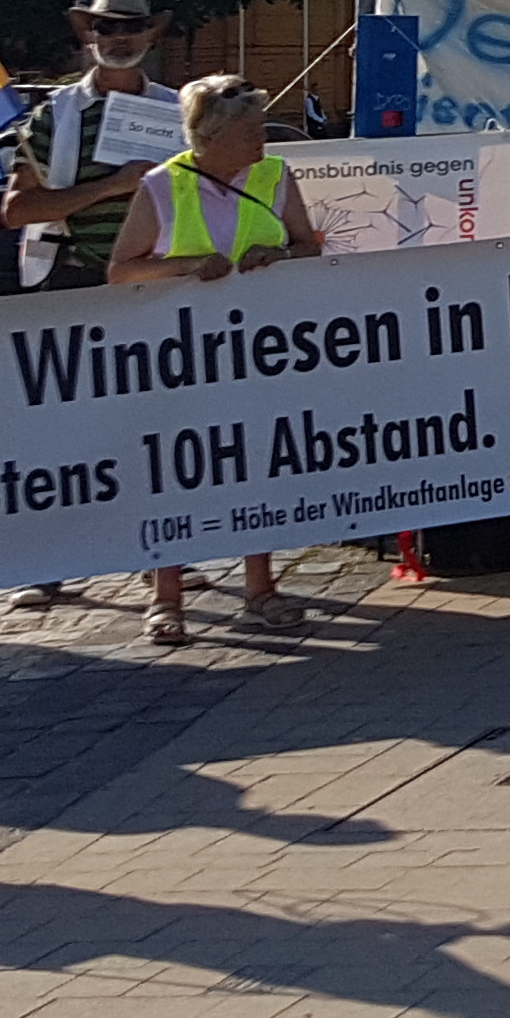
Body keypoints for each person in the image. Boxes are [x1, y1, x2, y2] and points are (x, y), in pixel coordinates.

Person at [107, 76, 326, 645]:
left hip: (259, 351)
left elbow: (310, 245)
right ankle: (166, 596)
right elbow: (122, 269)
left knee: (254, 464)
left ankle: (260, 589)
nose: (262, 141)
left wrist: (277, 253)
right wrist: (183, 267)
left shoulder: (275, 176)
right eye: (251, 131)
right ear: (214, 135)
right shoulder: (163, 186)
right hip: (179, 356)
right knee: (176, 472)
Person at [0, 0, 177, 293]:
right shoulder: (54, 113)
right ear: (90, 38)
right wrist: (112, 186)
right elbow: (16, 210)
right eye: (107, 28)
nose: (120, 37)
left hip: (162, 273)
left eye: (133, 27)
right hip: (78, 276)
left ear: (151, 37)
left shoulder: (180, 110)